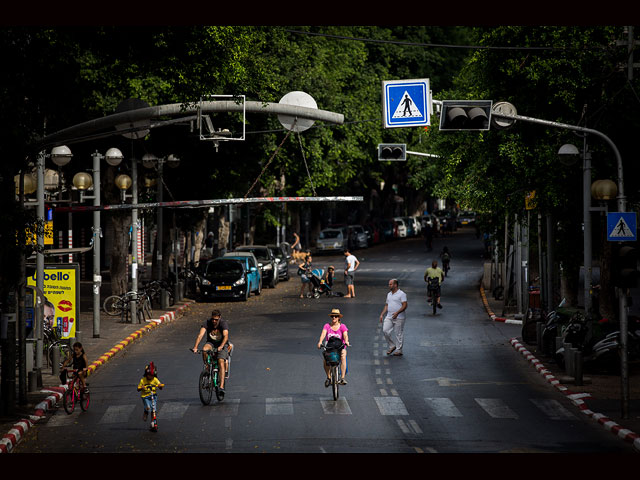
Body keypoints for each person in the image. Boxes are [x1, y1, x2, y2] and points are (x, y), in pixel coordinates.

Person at [191, 310, 233, 395]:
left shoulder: (223, 323)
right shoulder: (207, 323)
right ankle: (207, 368)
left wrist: (221, 346)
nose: (214, 321)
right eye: (213, 319)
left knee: (221, 361)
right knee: (204, 350)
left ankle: (221, 387)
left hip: (222, 344)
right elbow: (200, 335)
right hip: (211, 343)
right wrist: (195, 347)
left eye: (216, 320)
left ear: (219, 318)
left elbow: (226, 336)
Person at [317, 308, 350, 386]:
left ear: (339, 317)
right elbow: (323, 334)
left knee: (343, 355)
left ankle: (342, 378)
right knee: (325, 359)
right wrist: (320, 341)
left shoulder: (342, 326)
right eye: (332, 316)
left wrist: (347, 341)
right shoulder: (327, 326)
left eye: (336, 316)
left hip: (340, 347)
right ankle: (328, 377)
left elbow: (345, 335)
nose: (334, 318)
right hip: (329, 347)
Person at [379, 279, 408, 356]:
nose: (389, 285)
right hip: (389, 316)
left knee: (398, 333)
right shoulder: (389, 294)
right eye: (389, 284)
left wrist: (397, 313)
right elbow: (386, 305)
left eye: (391, 284)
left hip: (399, 317)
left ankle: (399, 350)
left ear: (395, 285)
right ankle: (392, 345)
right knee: (385, 330)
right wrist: (382, 314)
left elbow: (405, 305)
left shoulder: (402, 294)